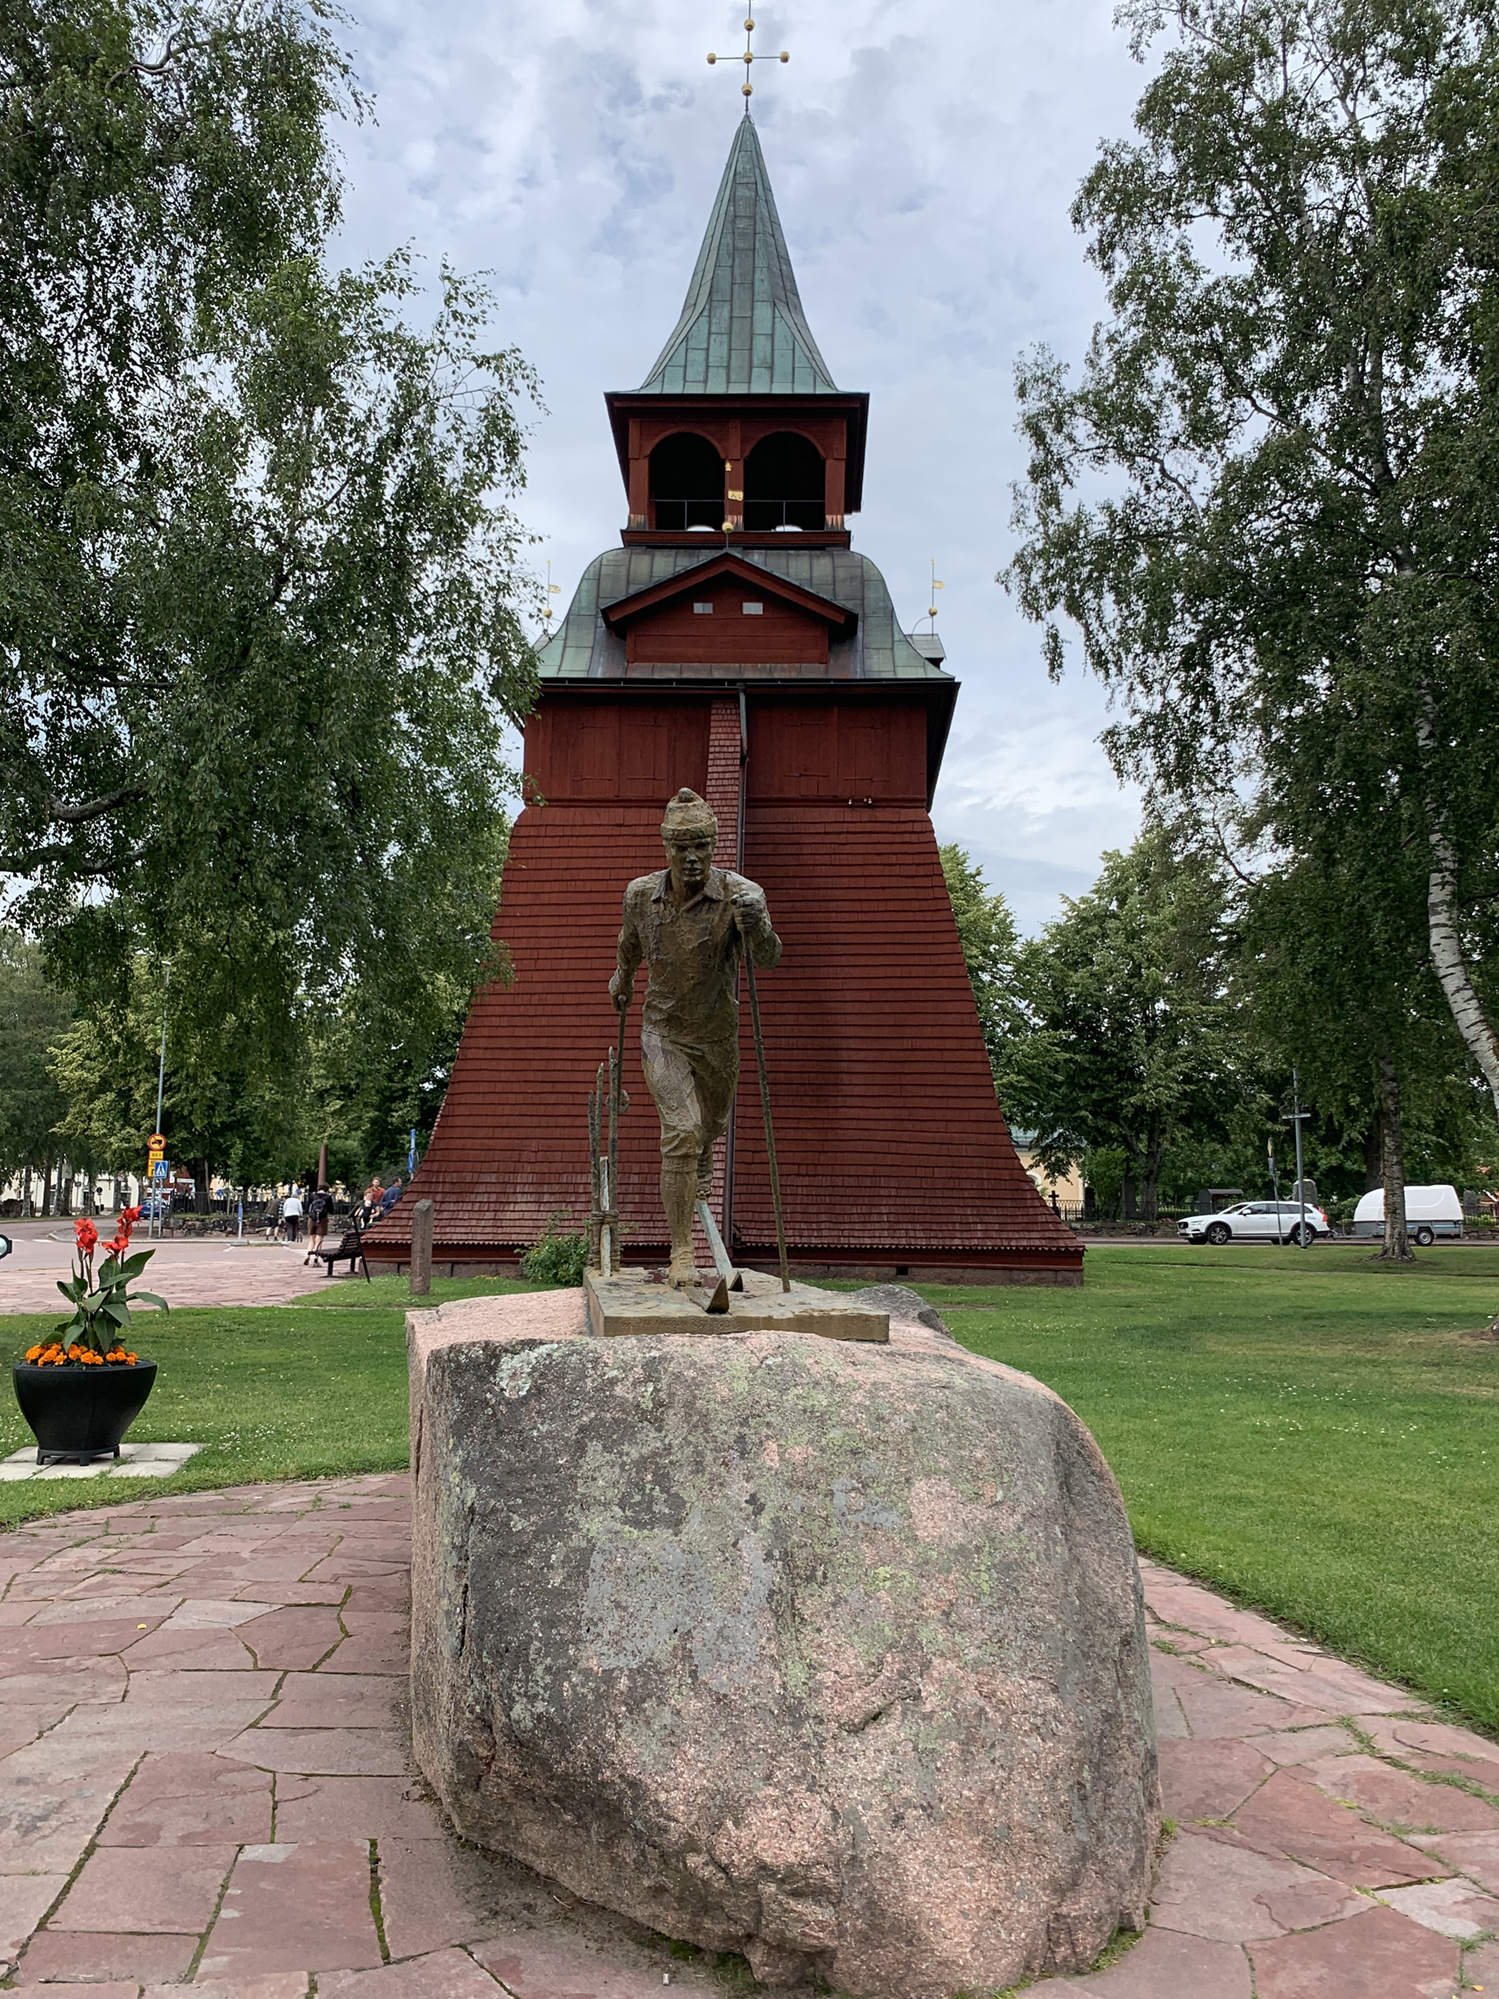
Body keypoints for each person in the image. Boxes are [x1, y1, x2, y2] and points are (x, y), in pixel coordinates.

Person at [611, 787, 781, 1287]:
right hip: (662, 1034)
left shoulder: (740, 895)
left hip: (716, 1039)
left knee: (709, 1127)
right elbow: (630, 942)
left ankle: (701, 1152)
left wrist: (758, 926)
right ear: (666, 846)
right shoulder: (640, 895)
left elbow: (768, 957)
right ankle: (682, 1252)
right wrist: (622, 977)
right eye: (682, 847)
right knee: (682, 1133)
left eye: (702, 846)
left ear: (714, 845)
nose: (692, 857)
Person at [305, 1185, 332, 1264]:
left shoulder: (313, 1196)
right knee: (319, 1240)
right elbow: (331, 1210)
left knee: (312, 1239)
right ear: (327, 1190)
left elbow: (307, 1208)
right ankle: (316, 1258)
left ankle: (308, 1254)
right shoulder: (328, 1197)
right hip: (322, 1219)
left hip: (312, 1218)